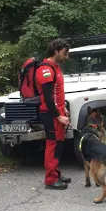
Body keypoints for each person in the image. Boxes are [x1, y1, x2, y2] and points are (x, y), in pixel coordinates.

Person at [35, 39, 71, 190]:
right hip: (51, 114)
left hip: (58, 111)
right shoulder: (46, 69)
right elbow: (48, 98)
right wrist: (58, 116)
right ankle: (50, 179)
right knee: (52, 145)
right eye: (64, 53)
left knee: (59, 145)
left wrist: (64, 109)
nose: (66, 56)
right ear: (56, 51)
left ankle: (55, 173)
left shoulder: (55, 67)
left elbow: (57, 94)